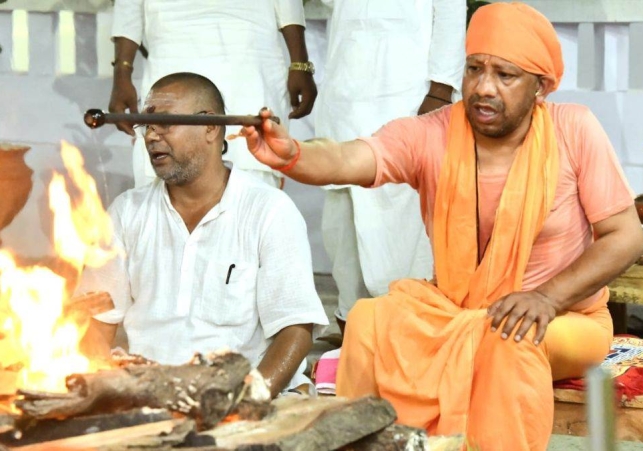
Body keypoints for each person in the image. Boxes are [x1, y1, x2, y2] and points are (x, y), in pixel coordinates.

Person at [239, 3, 643, 448]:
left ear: (540, 87)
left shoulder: (574, 130)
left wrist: (547, 297)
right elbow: (352, 158)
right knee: (370, 320)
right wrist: (292, 153)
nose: (484, 88)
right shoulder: (433, 132)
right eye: (474, 69)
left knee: (505, 340)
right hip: (455, 311)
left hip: (564, 318)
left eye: (505, 76)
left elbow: (624, 236)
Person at [79, 72, 328, 397]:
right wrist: (98, 389)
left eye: (164, 123)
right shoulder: (127, 213)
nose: (152, 136)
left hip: (240, 396)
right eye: (147, 125)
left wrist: (248, 400)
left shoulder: (268, 210)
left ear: (210, 127)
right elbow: (95, 323)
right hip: (145, 394)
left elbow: (296, 328)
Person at [315, 0, 466, 333]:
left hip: (407, 96)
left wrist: (440, 90)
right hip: (345, 93)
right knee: (343, 224)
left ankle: (405, 330)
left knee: (402, 222)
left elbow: (451, 12)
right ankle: (352, 330)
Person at [108, 0, 317, 188]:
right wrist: (122, 73)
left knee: (252, 168)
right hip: (171, 47)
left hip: (250, 55)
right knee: (164, 164)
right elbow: (128, 6)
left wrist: (300, 64)